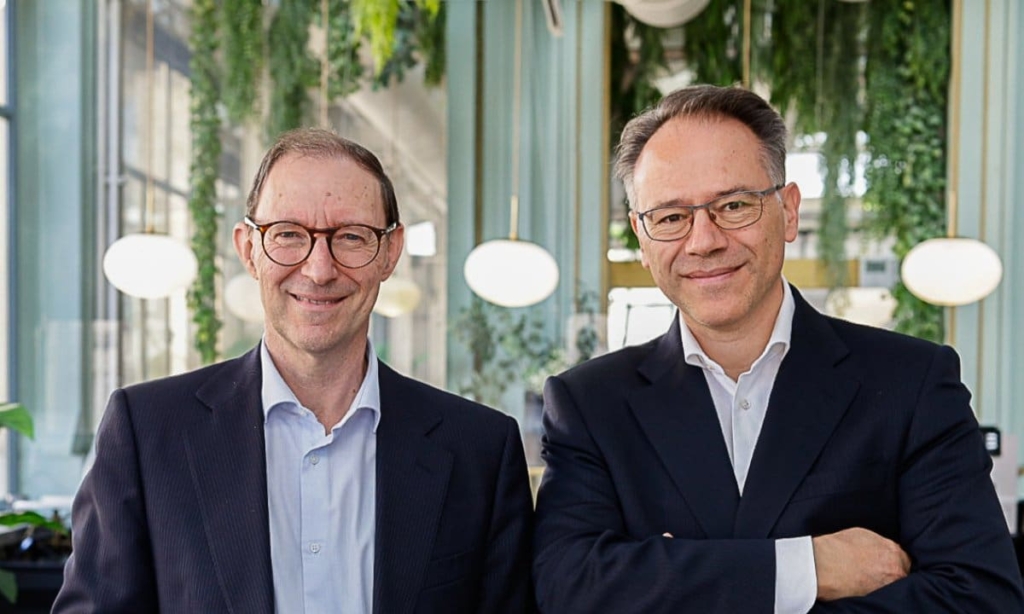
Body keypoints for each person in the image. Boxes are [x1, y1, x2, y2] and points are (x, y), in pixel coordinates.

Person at [533, 85, 1024, 613]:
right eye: (671, 217)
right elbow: (567, 589)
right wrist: (807, 568)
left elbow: (979, 597)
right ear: (641, 237)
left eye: (734, 205)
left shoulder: (911, 381)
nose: (703, 241)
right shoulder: (590, 405)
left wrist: (674, 580)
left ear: (788, 211)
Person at [55, 128, 535, 613]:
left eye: (352, 237)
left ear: (390, 252)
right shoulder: (147, 432)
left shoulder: (480, 451)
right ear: (248, 249)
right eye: (287, 235)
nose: (319, 269)